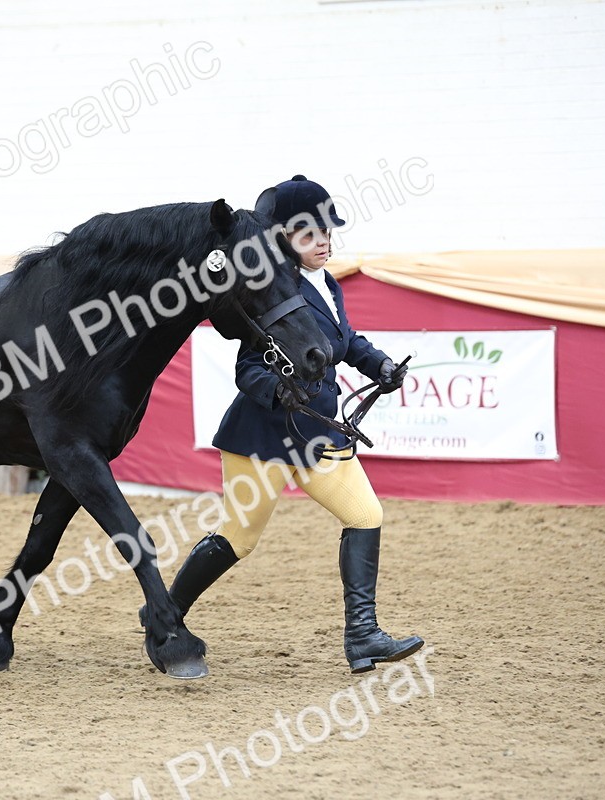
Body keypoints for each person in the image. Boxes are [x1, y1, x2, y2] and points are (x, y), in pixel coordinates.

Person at [160, 175, 423, 674]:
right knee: (240, 537)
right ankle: (166, 618)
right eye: (310, 235)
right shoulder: (271, 293)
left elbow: (346, 343)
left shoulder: (329, 283)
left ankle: (363, 636)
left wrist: (382, 366)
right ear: (281, 238)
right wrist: (277, 389)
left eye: (327, 233)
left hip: (319, 433)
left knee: (366, 515)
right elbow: (247, 369)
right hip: (263, 439)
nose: (323, 242)